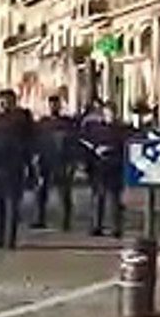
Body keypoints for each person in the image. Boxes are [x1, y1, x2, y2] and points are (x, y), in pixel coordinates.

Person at [0, 89, 33, 249]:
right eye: (2, 101)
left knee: (11, 204)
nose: (4, 104)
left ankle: (9, 239)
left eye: (7, 101)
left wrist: (29, 162)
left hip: (13, 166)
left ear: (14, 101)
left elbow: (30, 139)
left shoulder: (20, 118)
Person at [81, 101, 128, 238]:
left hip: (115, 166)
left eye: (112, 112)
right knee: (98, 197)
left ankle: (116, 228)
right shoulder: (96, 129)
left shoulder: (121, 129)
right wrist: (94, 152)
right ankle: (96, 226)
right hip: (99, 166)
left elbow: (126, 146)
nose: (110, 116)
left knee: (115, 199)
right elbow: (86, 143)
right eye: (108, 113)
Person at [32, 94, 77, 231]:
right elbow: (36, 142)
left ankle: (65, 221)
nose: (53, 107)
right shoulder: (43, 123)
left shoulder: (67, 123)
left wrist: (73, 162)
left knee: (64, 193)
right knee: (41, 192)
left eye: (56, 104)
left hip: (62, 161)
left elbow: (73, 143)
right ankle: (40, 219)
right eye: (51, 104)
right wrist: (36, 158)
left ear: (60, 105)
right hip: (45, 160)